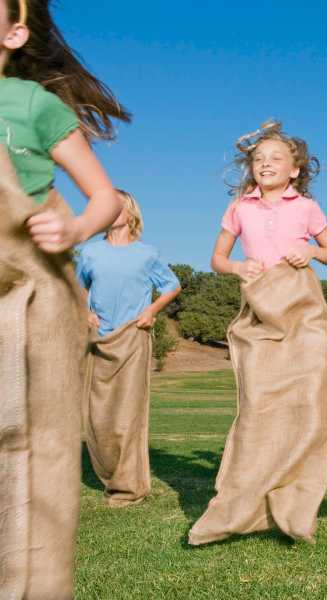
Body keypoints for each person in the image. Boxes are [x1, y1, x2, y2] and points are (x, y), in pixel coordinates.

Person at [0, 0, 128, 596]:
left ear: (14, 33)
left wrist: (74, 229)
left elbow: (104, 197)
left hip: (25, 289)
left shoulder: (34, 106)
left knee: (33, 440)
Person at [189, 120, 327, 545]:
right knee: (258, 406)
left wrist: (310, 249)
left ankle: (296, 502)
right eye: (258, 159)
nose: (265, 164)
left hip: (303, 308)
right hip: (259, 308)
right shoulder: (240, 207)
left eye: (275, 158)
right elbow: (218, 257)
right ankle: (247, 501)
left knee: (310, 402)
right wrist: (238, 266)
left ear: (295, 169)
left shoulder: (306, 207)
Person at [77, 190, 181, 507]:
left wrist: (151, 311)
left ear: (131, 213)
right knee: (97, 417)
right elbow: (77, 288)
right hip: (98, 341)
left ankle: (128, 485)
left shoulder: (146, 254)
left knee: (128, 414)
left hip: (133, 337)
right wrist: (85, 312)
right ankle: (109, 471)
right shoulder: (89, 253)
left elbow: (172, 286)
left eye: (117, 206)